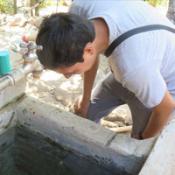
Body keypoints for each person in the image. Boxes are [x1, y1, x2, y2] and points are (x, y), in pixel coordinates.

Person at [36, 0, 175, 140]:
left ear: (89, 50)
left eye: (70, 72)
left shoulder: (131, 67)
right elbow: (90, 59)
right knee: (86, 113)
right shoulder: (79, 11)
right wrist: (85, 100)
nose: (67, 77)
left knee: (134, 147)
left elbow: (166, 107)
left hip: (166, 89)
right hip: (142, 69)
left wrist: (143, 138)